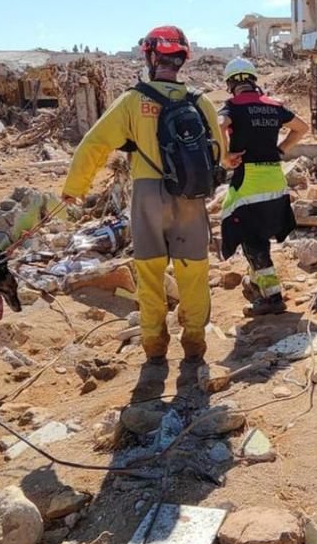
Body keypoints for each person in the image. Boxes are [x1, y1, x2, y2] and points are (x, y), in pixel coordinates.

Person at [61, 25, 226, 364]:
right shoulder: (201, 102)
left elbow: (94, 143)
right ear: (181, 60)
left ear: (152, 57)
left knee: (150, 271)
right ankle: (194, 342)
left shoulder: (133, 101)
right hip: (191, 198)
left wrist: (75, 188)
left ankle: (154, 346)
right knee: (193, 272)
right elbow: (219, 155)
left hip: (148, 194)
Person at [217, 57, 309, 316]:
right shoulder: (273, 105)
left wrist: (225, 156)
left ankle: (272, 297)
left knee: (249, 237)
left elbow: (219, 125)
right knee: (259, 236)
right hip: (276, 181)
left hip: (248, 182)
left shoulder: (232, 107)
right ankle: (257, 283)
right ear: (253, 80)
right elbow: (302, 128)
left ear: (230, 84)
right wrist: (281, 149)